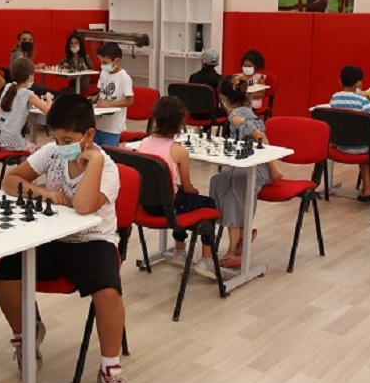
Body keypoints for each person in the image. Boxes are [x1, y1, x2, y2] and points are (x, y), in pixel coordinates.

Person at [0, 95, 128, 383]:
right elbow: (11, 180)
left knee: (108, 293)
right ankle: (26, 337)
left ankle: (110, 368)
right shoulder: (53, 152)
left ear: (89, 134)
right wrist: (46, 195)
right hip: (52, 236)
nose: (60, 145)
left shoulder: (107, 168)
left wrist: (94, 161)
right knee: (4, 275)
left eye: (67, 139)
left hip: (94, 240)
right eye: (56, 138)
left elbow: (83, 206)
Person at [138, 96, 218, 277]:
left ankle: (179, 251)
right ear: (181, 122)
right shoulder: (179, 151)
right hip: (168, 209)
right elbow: (188, 187)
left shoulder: (144, 143)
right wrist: (193, 191)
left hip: (146, 205)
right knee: (208, 202)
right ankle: (206, 260)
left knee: (178, 197)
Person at [209, 76, 283, 269]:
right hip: (246, 165)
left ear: (223, 97)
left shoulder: (236, 115)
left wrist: (273, 167)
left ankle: (233, 249)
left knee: (234, 185)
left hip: (257, 168)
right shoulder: (246, 109)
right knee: (218, 181)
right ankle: (242, 233)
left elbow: (260, 136)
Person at [329, 65, 370, 202]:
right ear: (359, 84)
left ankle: (367, 186)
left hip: (341, 146)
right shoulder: (363, 101)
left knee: (362, 144)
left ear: (340, 81)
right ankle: (367, 185)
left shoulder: (334, 98)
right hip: (362, 147)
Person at [0, 58, 52, 153]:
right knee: (42, 153)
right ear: (30, 77)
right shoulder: (28, 94)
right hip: (12, 143)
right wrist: (49, 98)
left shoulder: (8, 87)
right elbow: (48, 111)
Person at [91, 42, 134, 147]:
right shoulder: (103, 73)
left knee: (110, 153)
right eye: (101, 62)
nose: (102, 65)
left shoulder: (124, 78)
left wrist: (110, 104)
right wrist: (95, 98)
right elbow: (101, 90)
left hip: (112, 127)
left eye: (105, 62)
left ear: (117, 60)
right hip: (98, 123)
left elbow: (130, 101)